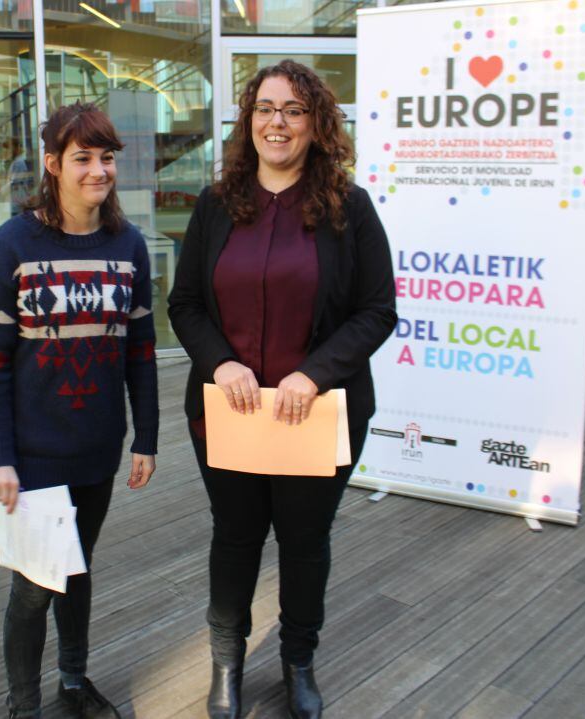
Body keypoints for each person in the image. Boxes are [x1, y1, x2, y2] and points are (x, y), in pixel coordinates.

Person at [167, 60, 396, 719]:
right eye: (266, 108)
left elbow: (377, 309)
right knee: (234, 537)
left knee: (304, 539)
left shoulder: (349, 208)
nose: (278, 121)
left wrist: (313, 371)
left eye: (294, 110)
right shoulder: (215, 205)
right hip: (229, 413)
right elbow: (185, 305)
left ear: (316, 123)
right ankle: (227, 665)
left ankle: (298, 660)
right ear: (249, 120)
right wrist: (220, 362)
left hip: (314, 413)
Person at [0, 102, 159, 719]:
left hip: (97, 448)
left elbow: (141, 352)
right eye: (83, 158)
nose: (98, 171)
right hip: (31, 454)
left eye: (106, 158)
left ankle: (73, 682)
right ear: (53, 164)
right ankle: (23, 705)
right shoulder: (11, 244)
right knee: (32, 586)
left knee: (76, 567)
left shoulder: (128, 244)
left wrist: (146, 437)